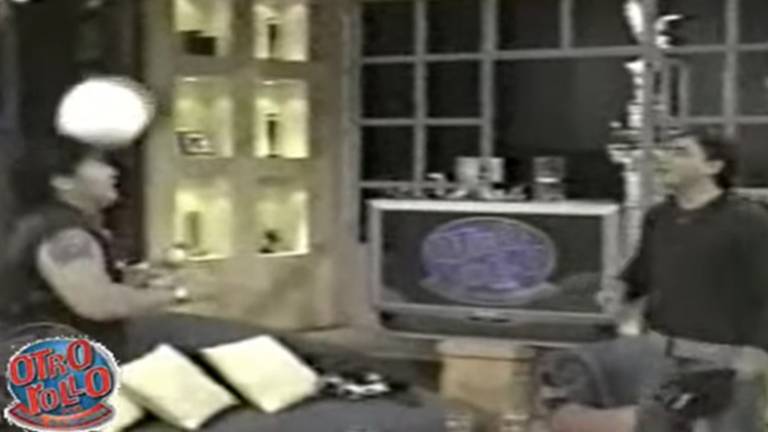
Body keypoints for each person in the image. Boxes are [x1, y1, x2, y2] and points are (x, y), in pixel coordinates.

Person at [597, 127, 768, 431]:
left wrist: (758, 351)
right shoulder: (659, 216)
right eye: (665, 150)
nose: (665, 158)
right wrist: (619, 290)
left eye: (680, 152)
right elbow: (643, 268)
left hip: (724, 360)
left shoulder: (748, 220)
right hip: (659, 355)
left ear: (713, 166)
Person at [0, 136, 210, 360]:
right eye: (99, 164)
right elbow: (98, 303)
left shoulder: (46, 222)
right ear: (63, 180)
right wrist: (183, 293)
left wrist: (135, 278)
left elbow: (63, 290)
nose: (113, 172)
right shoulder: (66, 234)